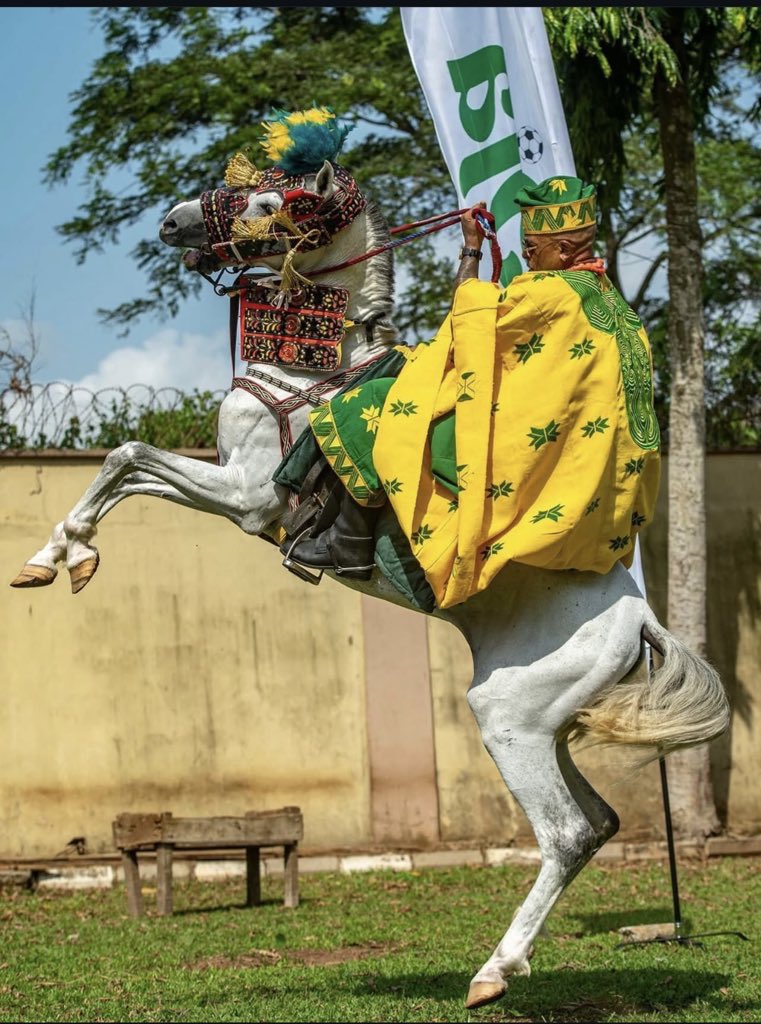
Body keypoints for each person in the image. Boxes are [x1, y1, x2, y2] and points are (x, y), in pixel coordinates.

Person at [283, 176, 661, 610]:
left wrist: (472, 248)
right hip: (599, 488)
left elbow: (468, 322)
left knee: (379, 403)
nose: (528, 257)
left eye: (533, 248)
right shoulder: (617, 306)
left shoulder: (547, 294)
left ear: (563, 249)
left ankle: (350, 544)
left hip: (528, 458)